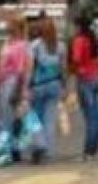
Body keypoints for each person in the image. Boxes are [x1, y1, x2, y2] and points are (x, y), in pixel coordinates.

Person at [28, 16, 68, 164]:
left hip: (38, 85)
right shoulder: (61, 46)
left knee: (35, 118)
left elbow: (30, 68)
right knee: (49, 119)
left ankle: (39, 145)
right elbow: (63, 69)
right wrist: (64, 87)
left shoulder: (35, 46)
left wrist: (26, 86)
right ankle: (48, 151)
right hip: (55, 84)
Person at [0, 16, 31, 162]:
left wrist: (18, 87)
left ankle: (13, 148)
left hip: (13, 81)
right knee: (8, 116)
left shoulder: (22, 45)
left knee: (13, 116)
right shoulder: (8, 43)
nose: (7, 28)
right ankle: (12, 147)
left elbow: (21, 68)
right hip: (5, 81)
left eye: (10, 26)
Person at [71, 15, 98, 163]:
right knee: (95, 115)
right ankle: (94, 149)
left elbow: (76, 59)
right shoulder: (93, 39)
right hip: (95, 78)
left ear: (79, 26)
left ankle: (88, 151)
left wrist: (73, 69)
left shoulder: (79, 40)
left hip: (84, 79)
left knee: (89, 117)